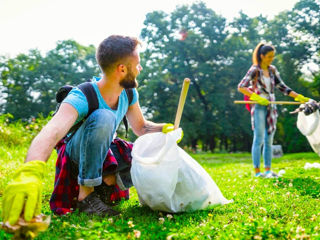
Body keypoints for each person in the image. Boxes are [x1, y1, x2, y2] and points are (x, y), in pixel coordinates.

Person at [2, 35, 180, 225]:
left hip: (102, 153)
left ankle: (103, 190)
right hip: (75, 156)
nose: (140, 68)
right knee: (104, 117)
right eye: (138, 64)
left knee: (137, 150)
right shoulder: (82, 95)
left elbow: (141, 127)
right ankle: (85, 198)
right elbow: (51, 132)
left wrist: (166, 128)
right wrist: (30, 170)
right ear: (122, 69)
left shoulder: (128, 93)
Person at [237, 42, 310, 178]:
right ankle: (258, 172)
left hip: (271, 106)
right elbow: (241, 86)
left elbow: (282, 87)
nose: (271, 59)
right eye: (269, 56)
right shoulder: (255, 69)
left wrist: (298, 97)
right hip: (259, 106)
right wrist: (256, 97)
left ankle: (268, 170)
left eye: (273, 56)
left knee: (269, 139)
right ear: (262, 56)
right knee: (259, 139)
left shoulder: (272, 70)